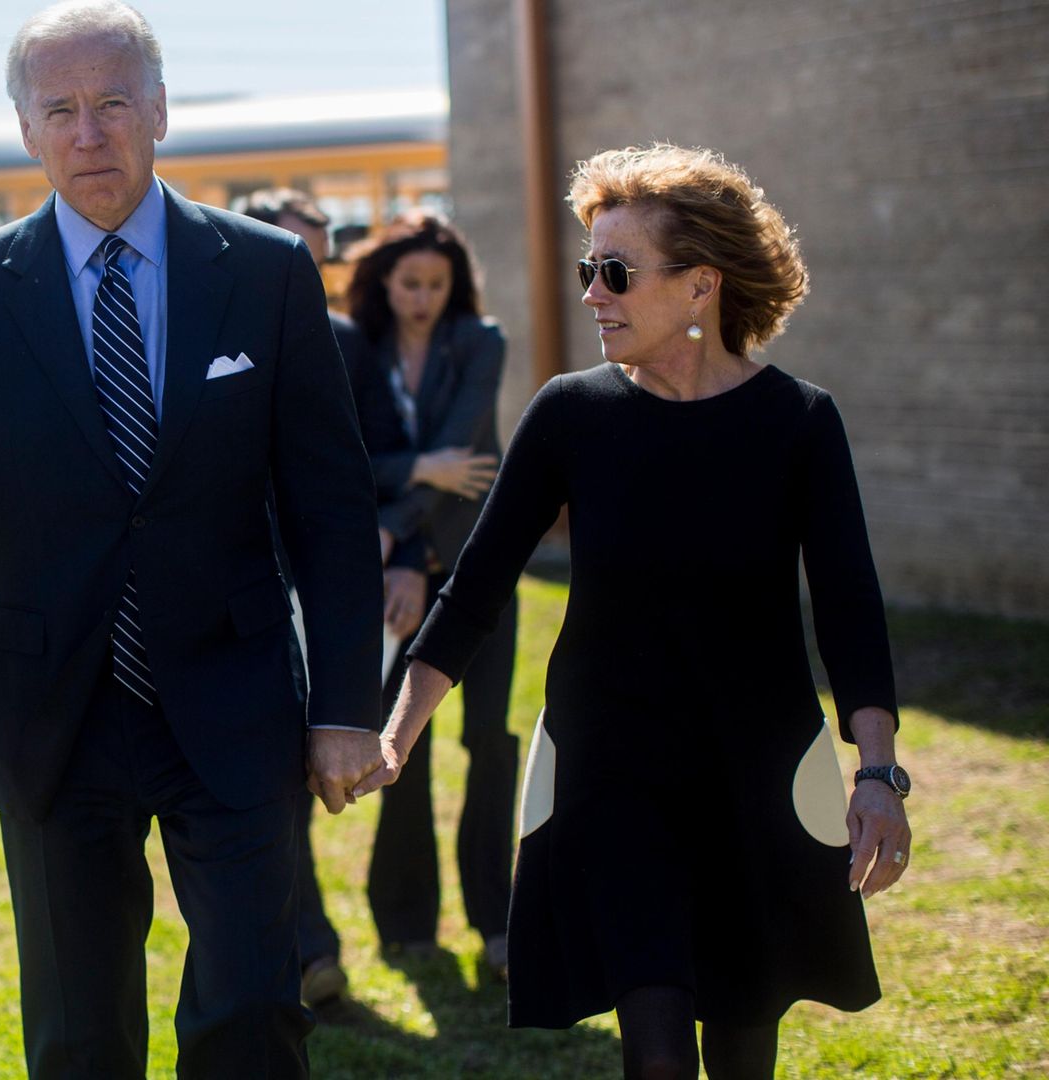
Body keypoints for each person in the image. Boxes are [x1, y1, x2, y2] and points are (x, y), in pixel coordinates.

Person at [0, 4, 386, 1076]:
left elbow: (330, 505)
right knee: (80, 1034)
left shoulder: (266, 270)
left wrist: (344, 707)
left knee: (252, 1014)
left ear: (159, 109)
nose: (89, 133)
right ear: (24, 129)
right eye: (59, 109)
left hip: (239, 698)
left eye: (112, 103)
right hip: (50, 711)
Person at [355, 144, 913, 1079]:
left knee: (742, 1048)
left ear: (701, 287)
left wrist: (879, 776)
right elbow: (477, 588)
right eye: (587, 268)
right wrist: (397, 734)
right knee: (655, 1057)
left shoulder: (800, 423)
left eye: (613, 271)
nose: (591, 293)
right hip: (611, 773)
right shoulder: (570, 415)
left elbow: (851, 609)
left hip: (757, 772)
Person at [237, 186, 412, 1007]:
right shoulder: (208, 325)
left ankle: (323, 943)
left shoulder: (344, 338)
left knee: (327, 762)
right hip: (246, 589)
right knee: (273, 777)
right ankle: (307, 951)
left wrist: (389, 539)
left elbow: (386, 454)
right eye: (284, 247)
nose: (298, 268)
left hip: (332, 586)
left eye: (311, 250)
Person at [343, 212, 518, 981]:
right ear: (383, 281)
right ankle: (406, 920)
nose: (422, 297)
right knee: (396, 747)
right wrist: (416, 477)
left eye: (436, 284)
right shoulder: (359, 349)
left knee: (488, 745)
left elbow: (470, 463)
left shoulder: (482, 341)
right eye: (409, 282)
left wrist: (400, 531)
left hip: (477, 570)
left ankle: (497, 920)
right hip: (395, 578)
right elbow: (354, 461)